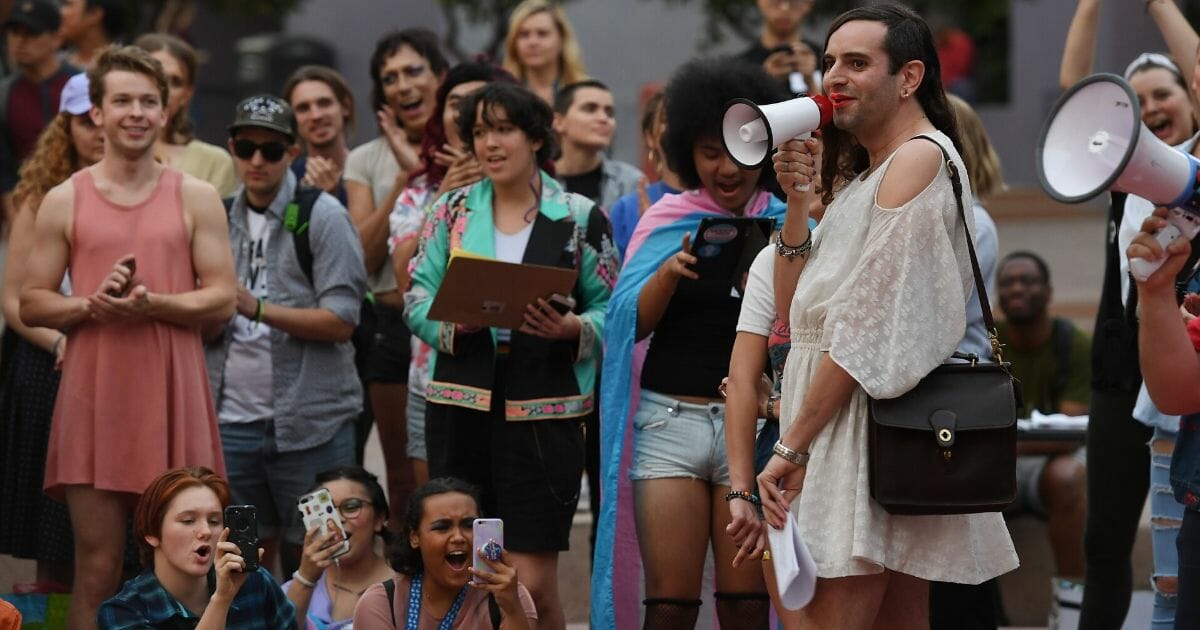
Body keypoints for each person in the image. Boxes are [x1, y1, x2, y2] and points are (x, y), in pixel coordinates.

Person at [759, 6, 1018, 628]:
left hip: (853, 428)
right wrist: (800, 207)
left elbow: (865, 333)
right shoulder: (874, 170)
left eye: (856, 63)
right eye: (828, 63)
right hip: (843, 423)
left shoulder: (917, 159)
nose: (833, 78)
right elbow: (798, 314)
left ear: (909, 77)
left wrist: (792, 447)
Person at [19, 45, 237, 629]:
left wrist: (154, 304)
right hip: (95, 397)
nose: (135, 112)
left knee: (190, 570)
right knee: (96, 568)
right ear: (97, 112)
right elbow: (31, 301)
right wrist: (91, 306)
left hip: (174, 393)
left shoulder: (196, 196)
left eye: (148, 101)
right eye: (122, 101)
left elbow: (222, 296)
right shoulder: (65, 198)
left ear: (166, 112)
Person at [405, 81, 617, 629]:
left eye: (503, 130)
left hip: (542, 417)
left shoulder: (577, 216)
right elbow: (414, 298)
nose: (490, 144)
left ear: (535, 138)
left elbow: (613, 312)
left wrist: (573, 327)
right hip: (460, 407)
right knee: (471, 571)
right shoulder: (449, 211)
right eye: (479, 132)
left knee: (530, 584)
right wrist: (456, 321)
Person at [594, 56, 788, 629]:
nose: (726, 168)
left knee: (747, 604)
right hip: (666, 426)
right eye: (709, 152)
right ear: (684, 153)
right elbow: (628, 324)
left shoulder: (790, 222)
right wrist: (667, 275)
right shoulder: (665, 219)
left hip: (755, 429)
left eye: (740, 151)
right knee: (671, 606)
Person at [1060, 0, 1200, 625]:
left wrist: (1156, 5)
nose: (1150, 112)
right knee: (1104, 539)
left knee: (1182, 532)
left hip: (1189, 360)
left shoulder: (1194, 167)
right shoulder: (1122, 172)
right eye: (1135, 105)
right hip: (1121, 368)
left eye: (1162, 94)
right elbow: (1076, 100)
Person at [206, 94, 366, 577]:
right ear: (231, 148)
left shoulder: (322, 216)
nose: (257, 160)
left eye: (271, 150)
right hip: (231, 427)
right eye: (246, 147)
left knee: (319, 562)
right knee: (244, 563)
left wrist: (255, 306)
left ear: (292, 154)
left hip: (311, 428)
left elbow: (342, 319)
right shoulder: (216, 214)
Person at [388, 61, 513, 510]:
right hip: (436, 378)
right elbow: (407, 281)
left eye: (485, 104)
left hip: (515, 379)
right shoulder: (418, 192)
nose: (471, 115)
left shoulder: (533, 194)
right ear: (442, 116)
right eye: (458, 104)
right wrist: (445, 202)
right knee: (443, 518)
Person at [0, 71, 102, 593]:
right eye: (86, 119)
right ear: (66, 126)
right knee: (52, 541)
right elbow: (15, 299)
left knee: (126, 540)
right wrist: (62, 340)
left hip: (117, 367)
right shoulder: (39, 197)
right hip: (47, 368)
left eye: (104, 114)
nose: (99, 129)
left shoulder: (153, 189)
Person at [346, 28, 447, 485]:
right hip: (390, 322)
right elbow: (363, 258)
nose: (404, 85)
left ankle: (481, 560)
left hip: (455, 321)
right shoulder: (364, 159)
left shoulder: (469, 149)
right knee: (404, 477)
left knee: (461, 473)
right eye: (390, 78)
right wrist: (406, 178)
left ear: (440, 77)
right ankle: (407, 560)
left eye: (414, 71)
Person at [927, 92, 1008, 630]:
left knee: (958, 558)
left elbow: (932, 314)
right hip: (943, 403)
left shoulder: (970, 220)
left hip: (953, 405)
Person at [97, 466, 297, 629]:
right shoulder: (123, 612)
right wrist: (221, 600)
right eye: (188, 520)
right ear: (152, 533)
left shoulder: (256, 582)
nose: (206, 531)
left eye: (214, 520)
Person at [352, 478, 538, 628]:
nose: (458, 537)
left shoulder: (510, 597)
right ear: (415, 537)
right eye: (442, 527)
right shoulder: (382, 603)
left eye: (467, 525)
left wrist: (512, 609)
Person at [282, 467, 395, 629]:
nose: (337, 520)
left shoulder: (410, 587)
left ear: (379, 519)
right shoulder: (290, 591)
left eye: (351, 507)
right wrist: (305, 579)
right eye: (324, 510)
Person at [0, 0, 76, 225]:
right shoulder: (5, 94)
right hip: (24, 210)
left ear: (56, 38)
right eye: (14, 31)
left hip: (78, 204)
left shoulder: (82, 85)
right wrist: (17, 221)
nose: (20, 41)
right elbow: (4, 167)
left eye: (31, 32)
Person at [133, 33, 237, 197]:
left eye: (175, 82)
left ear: (187, 94)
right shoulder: (102, 148)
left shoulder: (215, 162)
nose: (163, 89)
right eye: (154, 76)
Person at [608, 90, 683, 259]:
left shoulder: (722, 197)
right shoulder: (626, 208)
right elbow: (619, 281)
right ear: (649, 137)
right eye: (667, 120)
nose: (679, 127)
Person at [552, 79, 641, 211]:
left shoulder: (630, 182)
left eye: (609, 112)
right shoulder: (536, 182)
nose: (603, 118)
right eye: (590, 109)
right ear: (559, 122)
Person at [283, 65, 356, 206]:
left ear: (345, 107)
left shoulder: (368, 171)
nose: (316, 115)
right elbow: (289, 226)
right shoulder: (287, 180)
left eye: (324, 103)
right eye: (303, 108)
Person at [501, 0, 589, 104]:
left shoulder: (585, 94)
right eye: (524, 34)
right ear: (514, 43)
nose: (533, 42)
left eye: (542, 34)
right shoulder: (502, 96)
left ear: (562, 40)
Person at [738, 0, 821, 97]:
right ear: (761, 2)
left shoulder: (828, 59)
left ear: (808, 4)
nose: (784, 8)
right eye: (775, 1)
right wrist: (764, 81)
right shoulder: (741, 67)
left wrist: (811, 83)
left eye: (794, 2)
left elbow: (836, 110)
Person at [58, 0, 123, 68]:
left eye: (69, 5)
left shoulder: (124, 68)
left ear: (93, 14)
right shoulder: (56, 65)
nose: (61, 12)